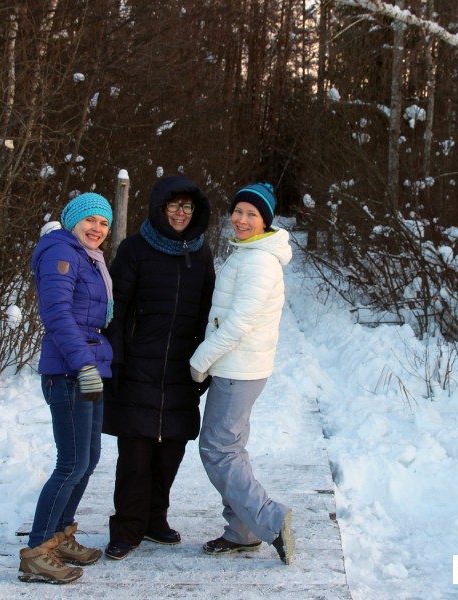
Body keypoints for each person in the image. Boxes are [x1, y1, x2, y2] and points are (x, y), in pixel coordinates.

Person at [103, 175, 215, 561]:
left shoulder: (201, 253)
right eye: (173, 206)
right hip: (138, 366)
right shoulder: (134, 249)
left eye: (187, 206)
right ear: (159, 208)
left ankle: (155, 520)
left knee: (170, 452)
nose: (181, 213)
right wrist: (115, 359)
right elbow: (114, 309)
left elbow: (207, 312)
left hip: (182, 370)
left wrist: (206, 363)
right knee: (135, 454)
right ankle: (127, 528)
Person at [188, 182, 296, 565]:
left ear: (265, 220)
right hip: (239, 366)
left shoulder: (259, 262)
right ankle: (242, 530)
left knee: (217, 449)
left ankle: (269, 518)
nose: (242, 219)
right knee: (230, 449)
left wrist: (200, 361)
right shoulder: (249, 252)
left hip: (238, 368)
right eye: (238, 211)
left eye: (252, 214)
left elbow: (238, 325)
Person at [19, 192, 115, 584]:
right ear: (73, 221)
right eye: (90, 220)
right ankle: (37, 551)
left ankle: (60, 536)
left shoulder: (87, 258)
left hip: (87, 368)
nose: (97, 229)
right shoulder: (61, 253)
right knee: (70, 464)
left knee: (87, 459)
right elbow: (56, 314)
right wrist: (83, 365)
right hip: (70, 371)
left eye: (104, 223)